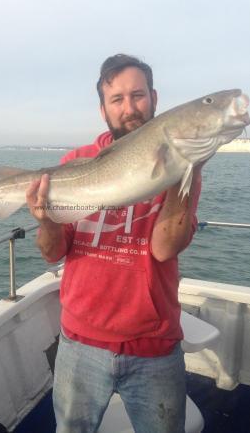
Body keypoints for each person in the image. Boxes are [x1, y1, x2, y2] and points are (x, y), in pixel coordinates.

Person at [26, 54, 202, 433]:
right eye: (117, 99)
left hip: (154, 346)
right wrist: (46, 221)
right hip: (78, 342)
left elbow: (164, 249)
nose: (129, 108)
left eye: (137, 95)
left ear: (154, 97)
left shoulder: (182, 165)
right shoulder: (76, 162)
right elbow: (52, 253)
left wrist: (190, 168)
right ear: (103, 109)